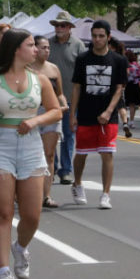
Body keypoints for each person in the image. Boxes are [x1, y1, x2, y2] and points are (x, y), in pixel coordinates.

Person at [0, 29, 62, 279]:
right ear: (17, 49)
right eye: (30, 45)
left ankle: (21, 248)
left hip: (31, 146)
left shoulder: (41, 80)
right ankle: (4, 272)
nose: (35, 49)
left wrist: (35, 120)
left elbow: (55, 111)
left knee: (32, 214)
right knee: (2, 213)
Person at [70, 20, 128, 210]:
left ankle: (106, 194)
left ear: (108, 37)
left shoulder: (118, 60)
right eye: (94, 36)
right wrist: (73, 115)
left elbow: (119, 89)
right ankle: (77, 183)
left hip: (107, 115)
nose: (97, 39)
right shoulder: (83, 58)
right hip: (86, 112)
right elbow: (77, 88)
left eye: (101, 36)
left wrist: (109, 111)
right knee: (82, 153)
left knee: (107, 153)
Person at [47, 11, 86, 185]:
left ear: (70, 27)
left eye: (62, 25)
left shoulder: (78, 46)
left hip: (71, 98)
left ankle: (66, 170)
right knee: (49, 134)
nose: (59, 28)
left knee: (68, 135)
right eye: (56, 25)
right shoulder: (47, 45)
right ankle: (52, 166)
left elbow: (84, 74)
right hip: (48, 99)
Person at [30, 35, 69, 208]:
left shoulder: (53, 69)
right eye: (43, 47)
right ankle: (27, 192)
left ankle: (46, 195)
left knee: (49, 154)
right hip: (32, 112)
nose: (46, 51)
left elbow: (59, 92)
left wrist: (63, 103)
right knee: (31, 154)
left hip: (51, 112)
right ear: (35, 49)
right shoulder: (27, 69)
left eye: (48, 48)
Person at [124, 49, 140, 136]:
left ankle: (126, 120)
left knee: (128, 104)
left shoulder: (128, 65)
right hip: (137, 86)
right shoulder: (137, 64)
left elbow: (127, 74)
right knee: (133, 105)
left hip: (129, 85)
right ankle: (132, 121)